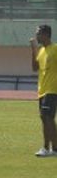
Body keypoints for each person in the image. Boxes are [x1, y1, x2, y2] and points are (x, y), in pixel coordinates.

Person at [31, 24, 57, 157]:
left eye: (39, 33)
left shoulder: (55, 48)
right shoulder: (41, 50)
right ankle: (46, 148)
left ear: (46, 34)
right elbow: (35, 68)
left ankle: (54, 148)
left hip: (52, 90)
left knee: (48, 117)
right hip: (42, 89)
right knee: (44, 118)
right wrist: (33, 49)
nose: (37, 35)